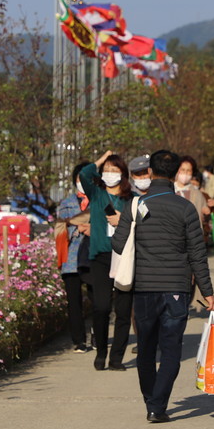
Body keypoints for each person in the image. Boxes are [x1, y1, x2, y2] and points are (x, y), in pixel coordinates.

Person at [111, 149, 214, 423]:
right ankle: (157, 405)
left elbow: (118, 245)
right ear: (175, 173)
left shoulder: (134, 205)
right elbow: (197, 254)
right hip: (176, 289)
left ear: (150, 172)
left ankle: (152, 401)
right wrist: (208, 293)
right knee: (171, 349)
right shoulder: (186, 208)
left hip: (144, 289)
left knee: (146, 347)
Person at [78, 151, 135, 370]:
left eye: (115, 169)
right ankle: (101, 351)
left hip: (124, 257)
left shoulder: (131, 199)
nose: (110, 173)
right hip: (101, 257)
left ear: (123, 173)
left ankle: (116, 358)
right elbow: (85, 174)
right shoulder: (97, 194)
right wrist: (102, 159)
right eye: (106, 170)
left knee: (123, 309)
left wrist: (124, 220)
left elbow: (144, 221)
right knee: (101, 307)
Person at [56, 164, 92, 353]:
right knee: (74, 302)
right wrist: (76, 229)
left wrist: (92, 229)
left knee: (97, 300)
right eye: (79, 178)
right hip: (71, 258)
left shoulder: (100, 200)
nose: (82, 182)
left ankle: (97, 335)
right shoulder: (66, 203)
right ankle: (79, 340)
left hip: (93, 256)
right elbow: (59, 229)